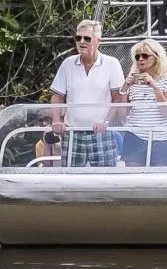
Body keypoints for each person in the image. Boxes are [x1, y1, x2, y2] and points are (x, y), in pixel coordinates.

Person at [49, 20, 126, 167]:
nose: (81, 42)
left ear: (98, 42)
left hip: (101, 133)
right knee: (70, 180)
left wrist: (106, 122)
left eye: (87, 38)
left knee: (104, 180)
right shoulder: (67, 64)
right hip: (72, 132)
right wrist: (56, 120)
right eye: (78, 38)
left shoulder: (112, 63)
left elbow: (118, 99)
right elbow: (57, 96)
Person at [118, 39, 167, 166]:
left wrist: (154, 87)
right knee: (133, 180)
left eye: (145, 55)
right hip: (135, 135)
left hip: (160, 136)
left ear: (156, 57)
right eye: (137, 56)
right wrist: (124, 88)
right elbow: (122, 114)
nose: (140, 59)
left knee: (158, 180)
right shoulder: (132, 79)